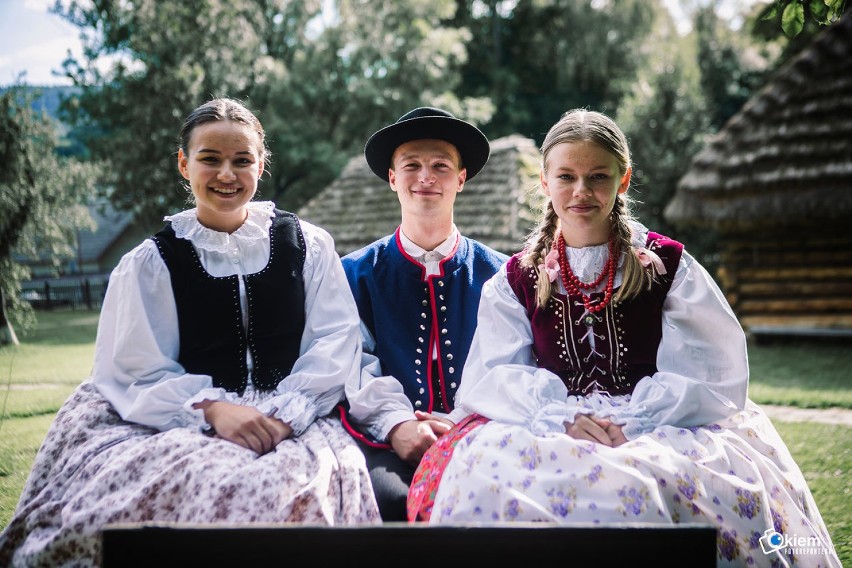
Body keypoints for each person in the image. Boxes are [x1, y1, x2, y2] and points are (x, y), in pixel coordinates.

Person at [407, 109, 840, 567]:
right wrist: (556, 416)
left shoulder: (667, 265)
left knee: (660, 481)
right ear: (545, 180)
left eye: (598, 176)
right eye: (567, 176)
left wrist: (640, 418)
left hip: (659, 422)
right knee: (485, 475)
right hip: (557, 422)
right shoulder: (518, 278)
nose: (581, 191)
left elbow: (715, 372)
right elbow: (492, 374)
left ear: (623, 179)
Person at [0, 98, 379, 567]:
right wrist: (213, 409)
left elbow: (334, 340)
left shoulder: (308, 245)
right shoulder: (150, 263)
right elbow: (136, 368)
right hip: (180, 418)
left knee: (296, 491)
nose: (227, 173)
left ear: (261, 165)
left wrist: (285, 413)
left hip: (296, 415)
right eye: (210, 159)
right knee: (148, 502)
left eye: (242, 161)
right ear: (184, 163)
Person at [339, 107, 509, 521]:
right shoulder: (353, 273)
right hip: (384, 438)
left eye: (441, 166)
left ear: (461, 179)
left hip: (481, 434)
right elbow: (353, 364)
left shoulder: (502, 274)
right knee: (387, 501)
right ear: (393, 178)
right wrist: (398, 425)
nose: (426, 177)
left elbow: (508, 366)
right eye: (411, 165)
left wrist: (463, 424)